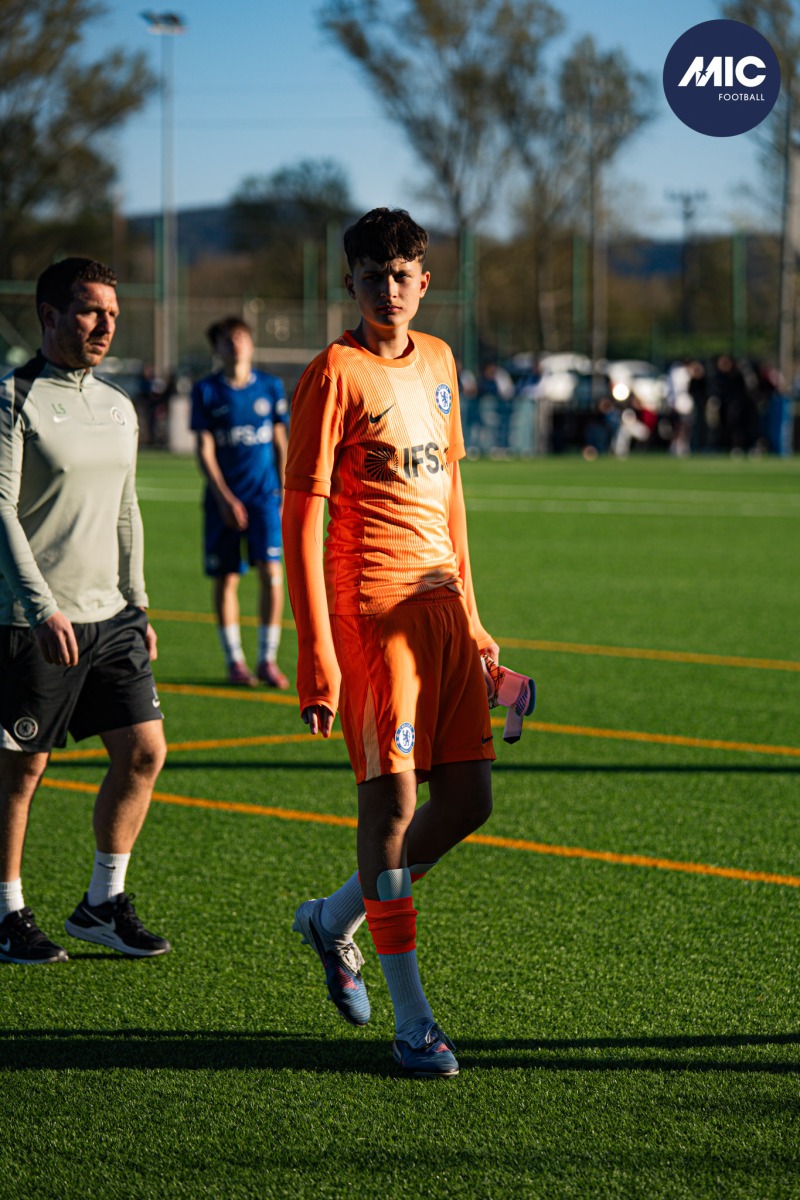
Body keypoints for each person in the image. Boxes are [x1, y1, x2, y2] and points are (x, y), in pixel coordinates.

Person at [283, 209, 498, 1079]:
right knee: (393, 806)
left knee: (470, 800)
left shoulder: (441, 361)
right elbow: (302, 515)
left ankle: (333, 918)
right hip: (372, 616)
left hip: (441, 609)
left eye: (402, 273)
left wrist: (472, 613)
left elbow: (450, 498)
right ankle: (413, 1023)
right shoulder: (333, 372)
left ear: (424, 280)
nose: (389, 289)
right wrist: (316, 650)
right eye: (372, 275)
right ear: (350, 282)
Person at [0, 257, 170, 964]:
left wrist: (139, 601)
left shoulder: (118, 405)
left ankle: (102, 904)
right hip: (37, 621)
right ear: (50, 314)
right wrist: (41, 608)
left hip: (113, 617)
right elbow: (0, 511)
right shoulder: (13, 399)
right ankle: (6, 910)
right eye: (91, 311)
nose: (105, 326)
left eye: (112, 315)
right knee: (22, 771)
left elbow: (126, 508)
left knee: (144, 752)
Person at [190, 317, 289, 688]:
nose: (236, 344)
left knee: (272, 574)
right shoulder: (206, 391)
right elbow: (204, 448)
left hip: (264, 498)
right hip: (223, 501)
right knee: (227, 577)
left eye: (242, 337)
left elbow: (280, 441)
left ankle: (267, 659)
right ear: (216, 348)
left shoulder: (270, 387)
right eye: (228, 339)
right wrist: (224, 497)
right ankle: (235, 661)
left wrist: (284, 491)